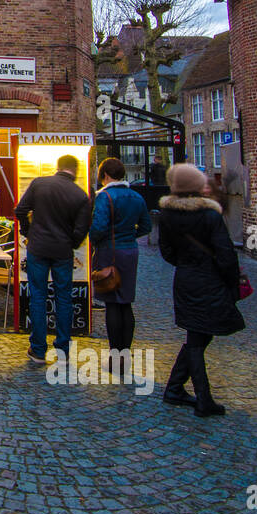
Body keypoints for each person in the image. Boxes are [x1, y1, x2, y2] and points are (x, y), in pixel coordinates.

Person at [157, 163, 245, 417]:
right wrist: (231, 283)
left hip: (185, 279)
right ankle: (203, 399)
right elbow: (226, 254)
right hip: (209, 280)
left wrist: (186, 265)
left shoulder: (167, 215)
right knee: (199, 337)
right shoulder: (209, 216)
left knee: (199, 335)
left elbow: (167, 252)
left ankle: (174, 388)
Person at [16, 154, 93, 364]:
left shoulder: (40, 184)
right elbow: (82, 228)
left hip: (38, 247)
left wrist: (28, 231)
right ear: (75, 171)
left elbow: (20, 210)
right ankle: (63, 350)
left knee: (38, 296)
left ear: (58, 167)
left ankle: (39, 349)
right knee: (64, 298)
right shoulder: (80, 196)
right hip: (62, 252)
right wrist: (72, 243)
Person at [89, 157, 152, 381]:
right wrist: (129, 237)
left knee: (112, 303)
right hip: (130, 252)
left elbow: (98, 228)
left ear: (105, 174)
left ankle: (116, 357)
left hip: (109, 252)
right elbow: (146, 225)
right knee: (126, 302)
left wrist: (96, 241)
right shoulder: (136, 196)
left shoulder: (104, 197)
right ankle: (126, 354)